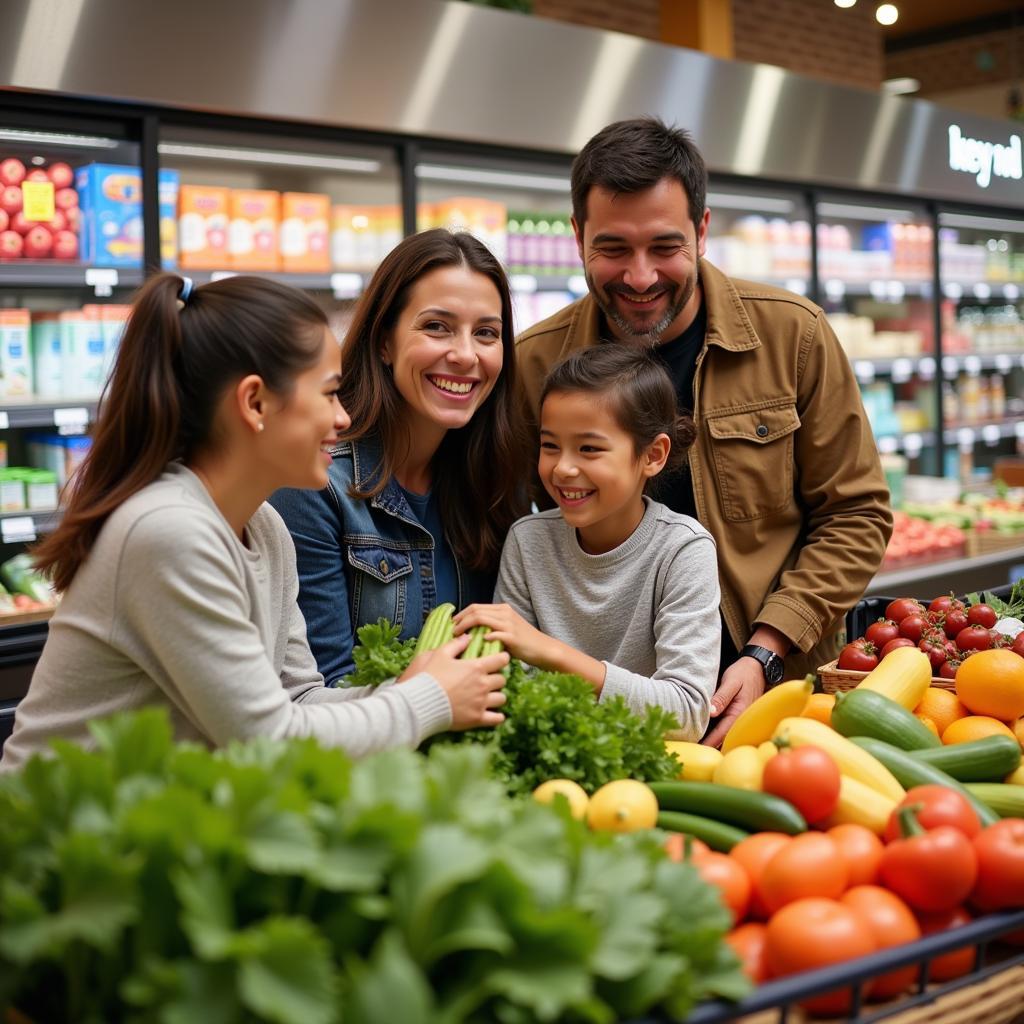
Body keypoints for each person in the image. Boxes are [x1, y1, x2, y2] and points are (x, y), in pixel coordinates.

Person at [0, 274, 508, 772]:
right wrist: (428, 700)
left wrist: (407, 690)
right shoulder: (169, 532)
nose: (343, 419)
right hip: (59, 837)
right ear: (255, 402)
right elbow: (269, 741)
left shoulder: (263, 527)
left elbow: (299, 699)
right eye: (329, 394)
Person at [515, 117, 893, 746]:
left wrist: (767, 650)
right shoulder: (535, 363)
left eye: (665, 246)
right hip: (603, 712)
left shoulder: (792, 337)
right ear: (577, 236)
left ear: (703, 230)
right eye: (612, 249)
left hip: (780, 696)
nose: (639, 277)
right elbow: (517, 526)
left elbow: (857, 514)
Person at [270, 229, 527, 685]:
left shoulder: (499, 478)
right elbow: (324, 688)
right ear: (384, 341)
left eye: (485, 333)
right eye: (437, 327)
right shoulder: (316, 484)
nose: (466, 354)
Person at [454, 345, 720, 739]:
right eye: (549, 445)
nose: (562, 468)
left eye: (589, 448)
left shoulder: (684, 551)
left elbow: (685, 714)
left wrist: (548, 651)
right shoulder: (528, 542)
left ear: (653, 454)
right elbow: (512, 692)